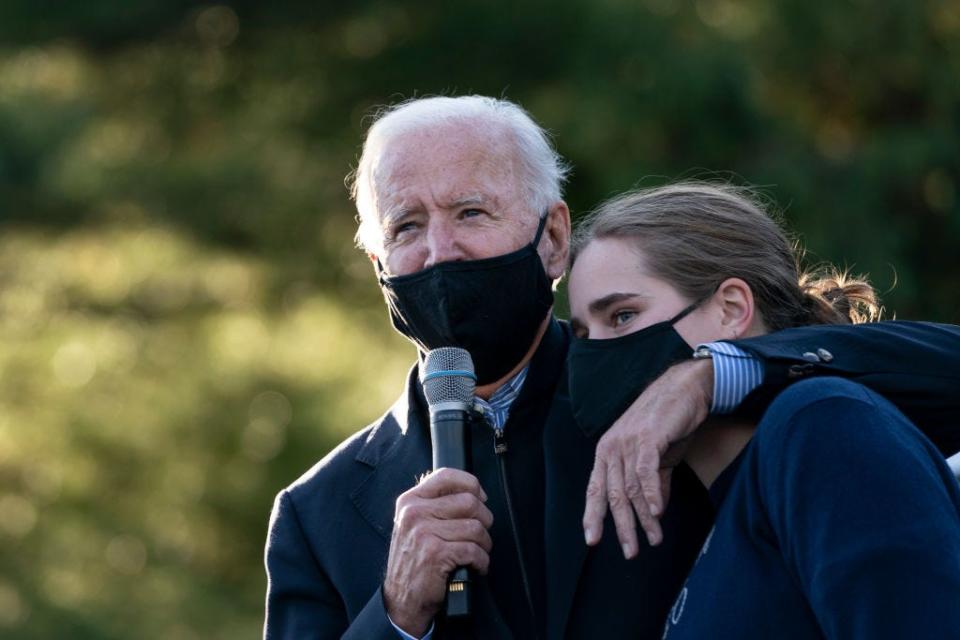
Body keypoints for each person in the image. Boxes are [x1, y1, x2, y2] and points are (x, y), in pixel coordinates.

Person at [262, 95, 960, 639]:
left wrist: (716, 373)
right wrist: (394, 617)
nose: (441, 252)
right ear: (378, 264)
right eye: (406, 227)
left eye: (471, 212)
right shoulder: (313, 517)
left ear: (553, 237)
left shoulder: (653, 383)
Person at [565, 182, 960, 638]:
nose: (593, 355)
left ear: (731, 309)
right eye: (581, 335)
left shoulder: (819, 423)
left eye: (622, 316)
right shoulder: (716, 513)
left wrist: (707, 375)